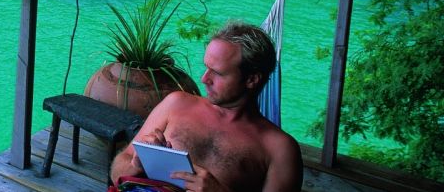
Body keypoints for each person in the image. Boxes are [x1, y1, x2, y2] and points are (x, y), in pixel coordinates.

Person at [109, 21, 303, 192]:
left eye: (217, 73)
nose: (204, 79)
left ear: (252, 79)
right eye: (206, 67)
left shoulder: (278, 149)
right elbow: (118, 169)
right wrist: (135, 165)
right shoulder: (176, 104)